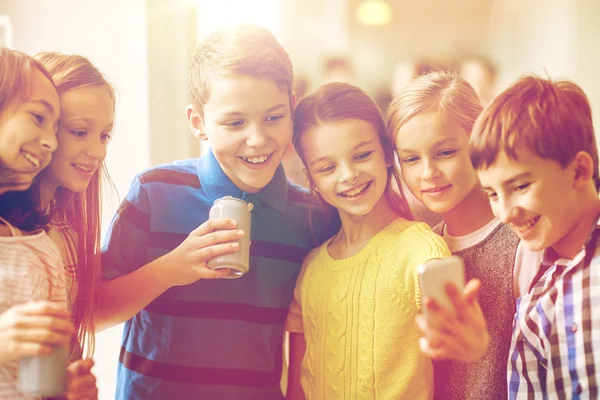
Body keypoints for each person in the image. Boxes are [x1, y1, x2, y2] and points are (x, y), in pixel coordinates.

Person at [98, 24, 332, 399]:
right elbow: (93, 312)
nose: (257, 138)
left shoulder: (310, 216)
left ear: (292, 107)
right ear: (198, 123)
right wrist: (172, 268)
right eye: (235, 122)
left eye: (273, 117)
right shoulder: (155, 193)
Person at [285, 82, 451, 399]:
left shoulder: (421, 252)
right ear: (312, 180)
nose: (348, 175)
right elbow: (296, 390)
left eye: (361, 155)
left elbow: (452, 372)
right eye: (327, 167)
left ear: (388, 154)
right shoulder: (310, 270)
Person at [388, 70, 516, 399]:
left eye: (445, 152)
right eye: (411, 159)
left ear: (477, 142)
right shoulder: (420, 249)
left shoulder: (522, 240)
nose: (428, 172)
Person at [470, 75, 600, 399]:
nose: (506, 212)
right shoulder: (534, 299)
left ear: (580, 171)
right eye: (492, 194)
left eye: (520, 186)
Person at [0, 47, 97, 400]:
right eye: (38, 118)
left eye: (56, 128)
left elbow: (42, 385)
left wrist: (65, 390)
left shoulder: (39, 250)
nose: (50, 142)